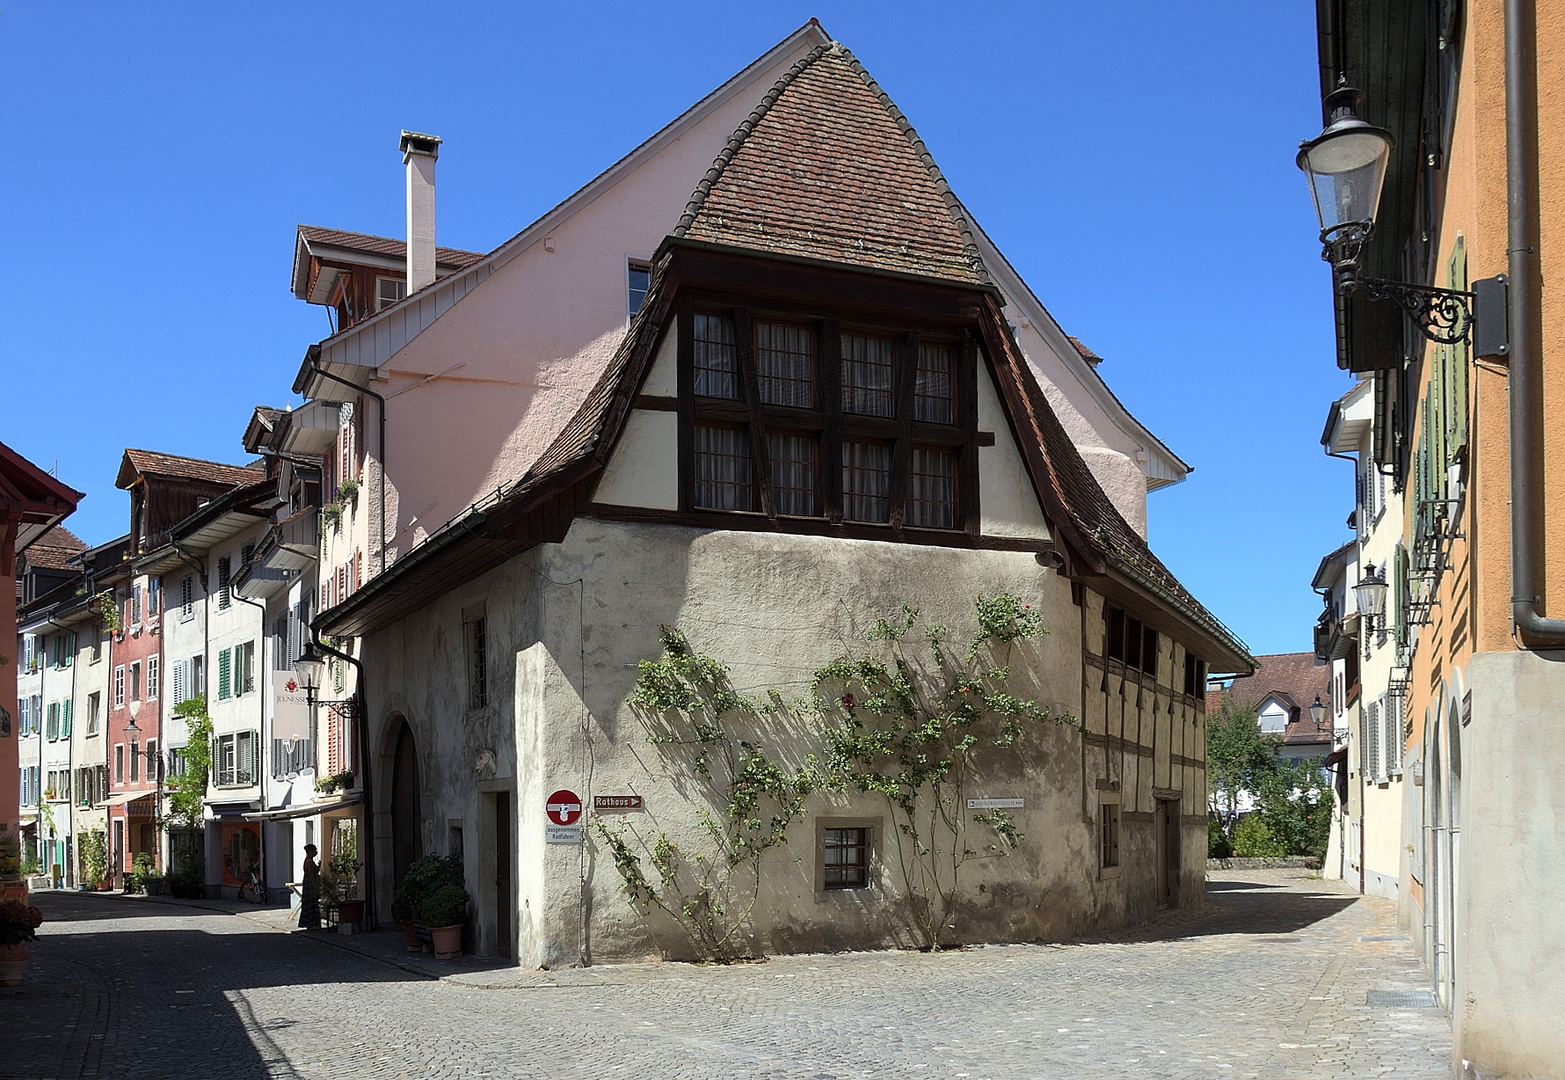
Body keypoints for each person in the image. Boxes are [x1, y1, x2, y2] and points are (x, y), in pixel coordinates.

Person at [298, 844, 321, 930]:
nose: (316, 852)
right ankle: (312, 924)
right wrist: (315, 887)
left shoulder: (308, 860)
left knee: (309, 904)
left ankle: (310, 924)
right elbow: (312, 875)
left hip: (307, 884)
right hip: (309, 885)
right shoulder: (309, 862)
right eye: (315, 850)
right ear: (311, 851)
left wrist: (318, 867)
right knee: (311, 904)